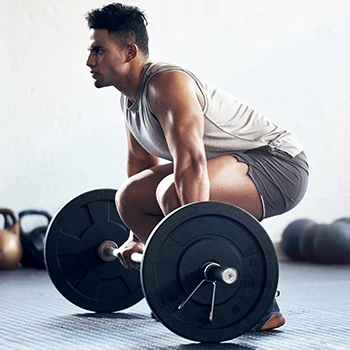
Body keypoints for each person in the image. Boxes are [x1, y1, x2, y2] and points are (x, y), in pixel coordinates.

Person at [85, 3, 309, 332]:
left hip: (278, 164)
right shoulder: (129, 99)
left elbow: (190, 163)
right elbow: (140, 164)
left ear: (130, 52)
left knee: (174, 194)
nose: (90, 61)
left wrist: (199, 246)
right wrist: (135, 238)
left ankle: (256, 302)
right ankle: (187, 282)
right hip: (234, 168)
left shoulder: (167, 84)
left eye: (99, 51)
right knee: (128, 198)